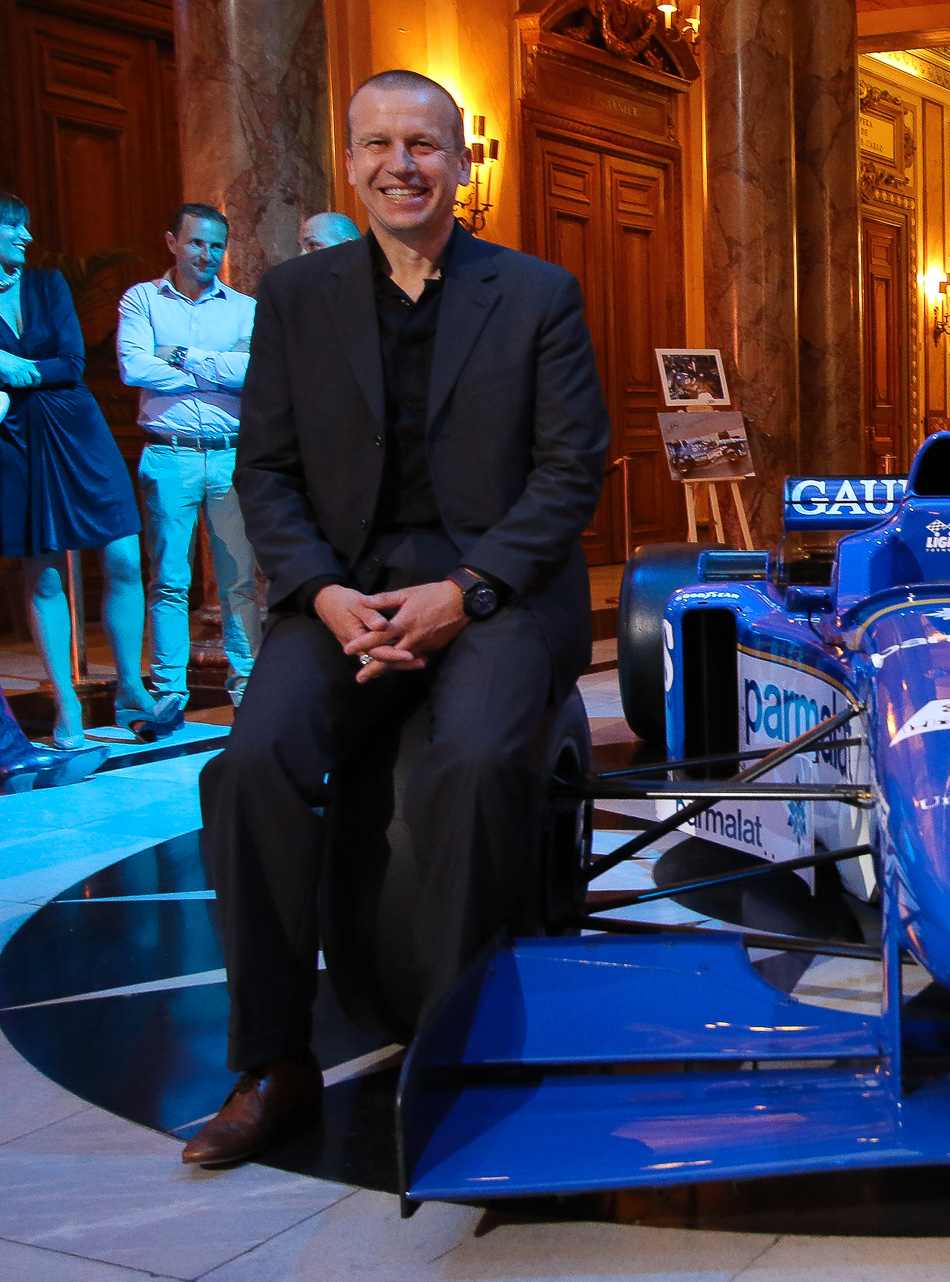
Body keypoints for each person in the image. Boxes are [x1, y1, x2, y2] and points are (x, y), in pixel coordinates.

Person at [184, 69, 609, 1166]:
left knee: (472, 762)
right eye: (376, 144)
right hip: (343, 591)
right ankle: (272, 1059)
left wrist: (463, 594)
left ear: (461, 162)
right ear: (351, 160)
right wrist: (324, 594)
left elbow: (569, 473)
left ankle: (456, 1045)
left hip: (496, 591)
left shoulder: (538, 293)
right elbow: (265, 471)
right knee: (251, 763)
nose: (399, 165)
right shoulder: (296, 296)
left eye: (422, 144)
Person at [0, 190, 178, 748]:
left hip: (77, 428)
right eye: (14, 227)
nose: (27, 237)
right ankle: (66, 703)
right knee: (45, 574)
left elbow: (72, 363)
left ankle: (131, 688)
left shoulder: (46, 284)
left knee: (124, 557)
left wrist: (16, 368)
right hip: (16, 439)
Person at [118, 204, 264, 707]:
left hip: (229, 457)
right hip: (169, 454)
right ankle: (169, 693)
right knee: (168, 582)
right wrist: (218, 372)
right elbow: (133, 367)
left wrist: (179, 356)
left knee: (239, 582)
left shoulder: (243, 308)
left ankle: (247, 691)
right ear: (172, 242)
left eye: (217, 245)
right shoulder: (142, 299)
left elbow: (253, 374)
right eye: (197, 242)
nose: (208, 254)